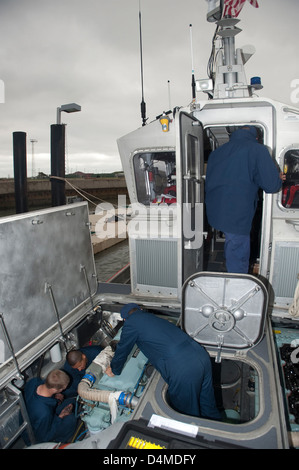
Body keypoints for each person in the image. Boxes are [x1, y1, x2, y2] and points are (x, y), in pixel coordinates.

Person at [105, 303, 221, 420]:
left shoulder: (131, 323)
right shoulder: (151, 317)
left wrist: (114, 369)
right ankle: (218, 433)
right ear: (140, 309)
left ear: (125, 319)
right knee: (208, 405)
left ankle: (196, 438)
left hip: (184, 368)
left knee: (187, 416)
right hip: (200, 355)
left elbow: (122, 349)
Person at [205, 126, 285, 273]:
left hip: (216, 209)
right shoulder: (258, 150)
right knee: (238, 252)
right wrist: (278, 178)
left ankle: (229, 264)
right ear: (256, 137)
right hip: (238, 211)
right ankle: (238, 286)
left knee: (232, 243)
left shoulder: (217, 152)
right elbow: (271, 186)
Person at [24, 369, 77, 444]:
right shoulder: (44, 413)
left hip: (32, 415)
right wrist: (60, 416)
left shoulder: (34, 381)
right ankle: (58, 441)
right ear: (54, 389)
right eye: (62, 389)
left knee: (71, 402)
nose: (62, 390)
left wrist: (54, 396)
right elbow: (44, 436)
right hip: (36, 435)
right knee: (71, 419)